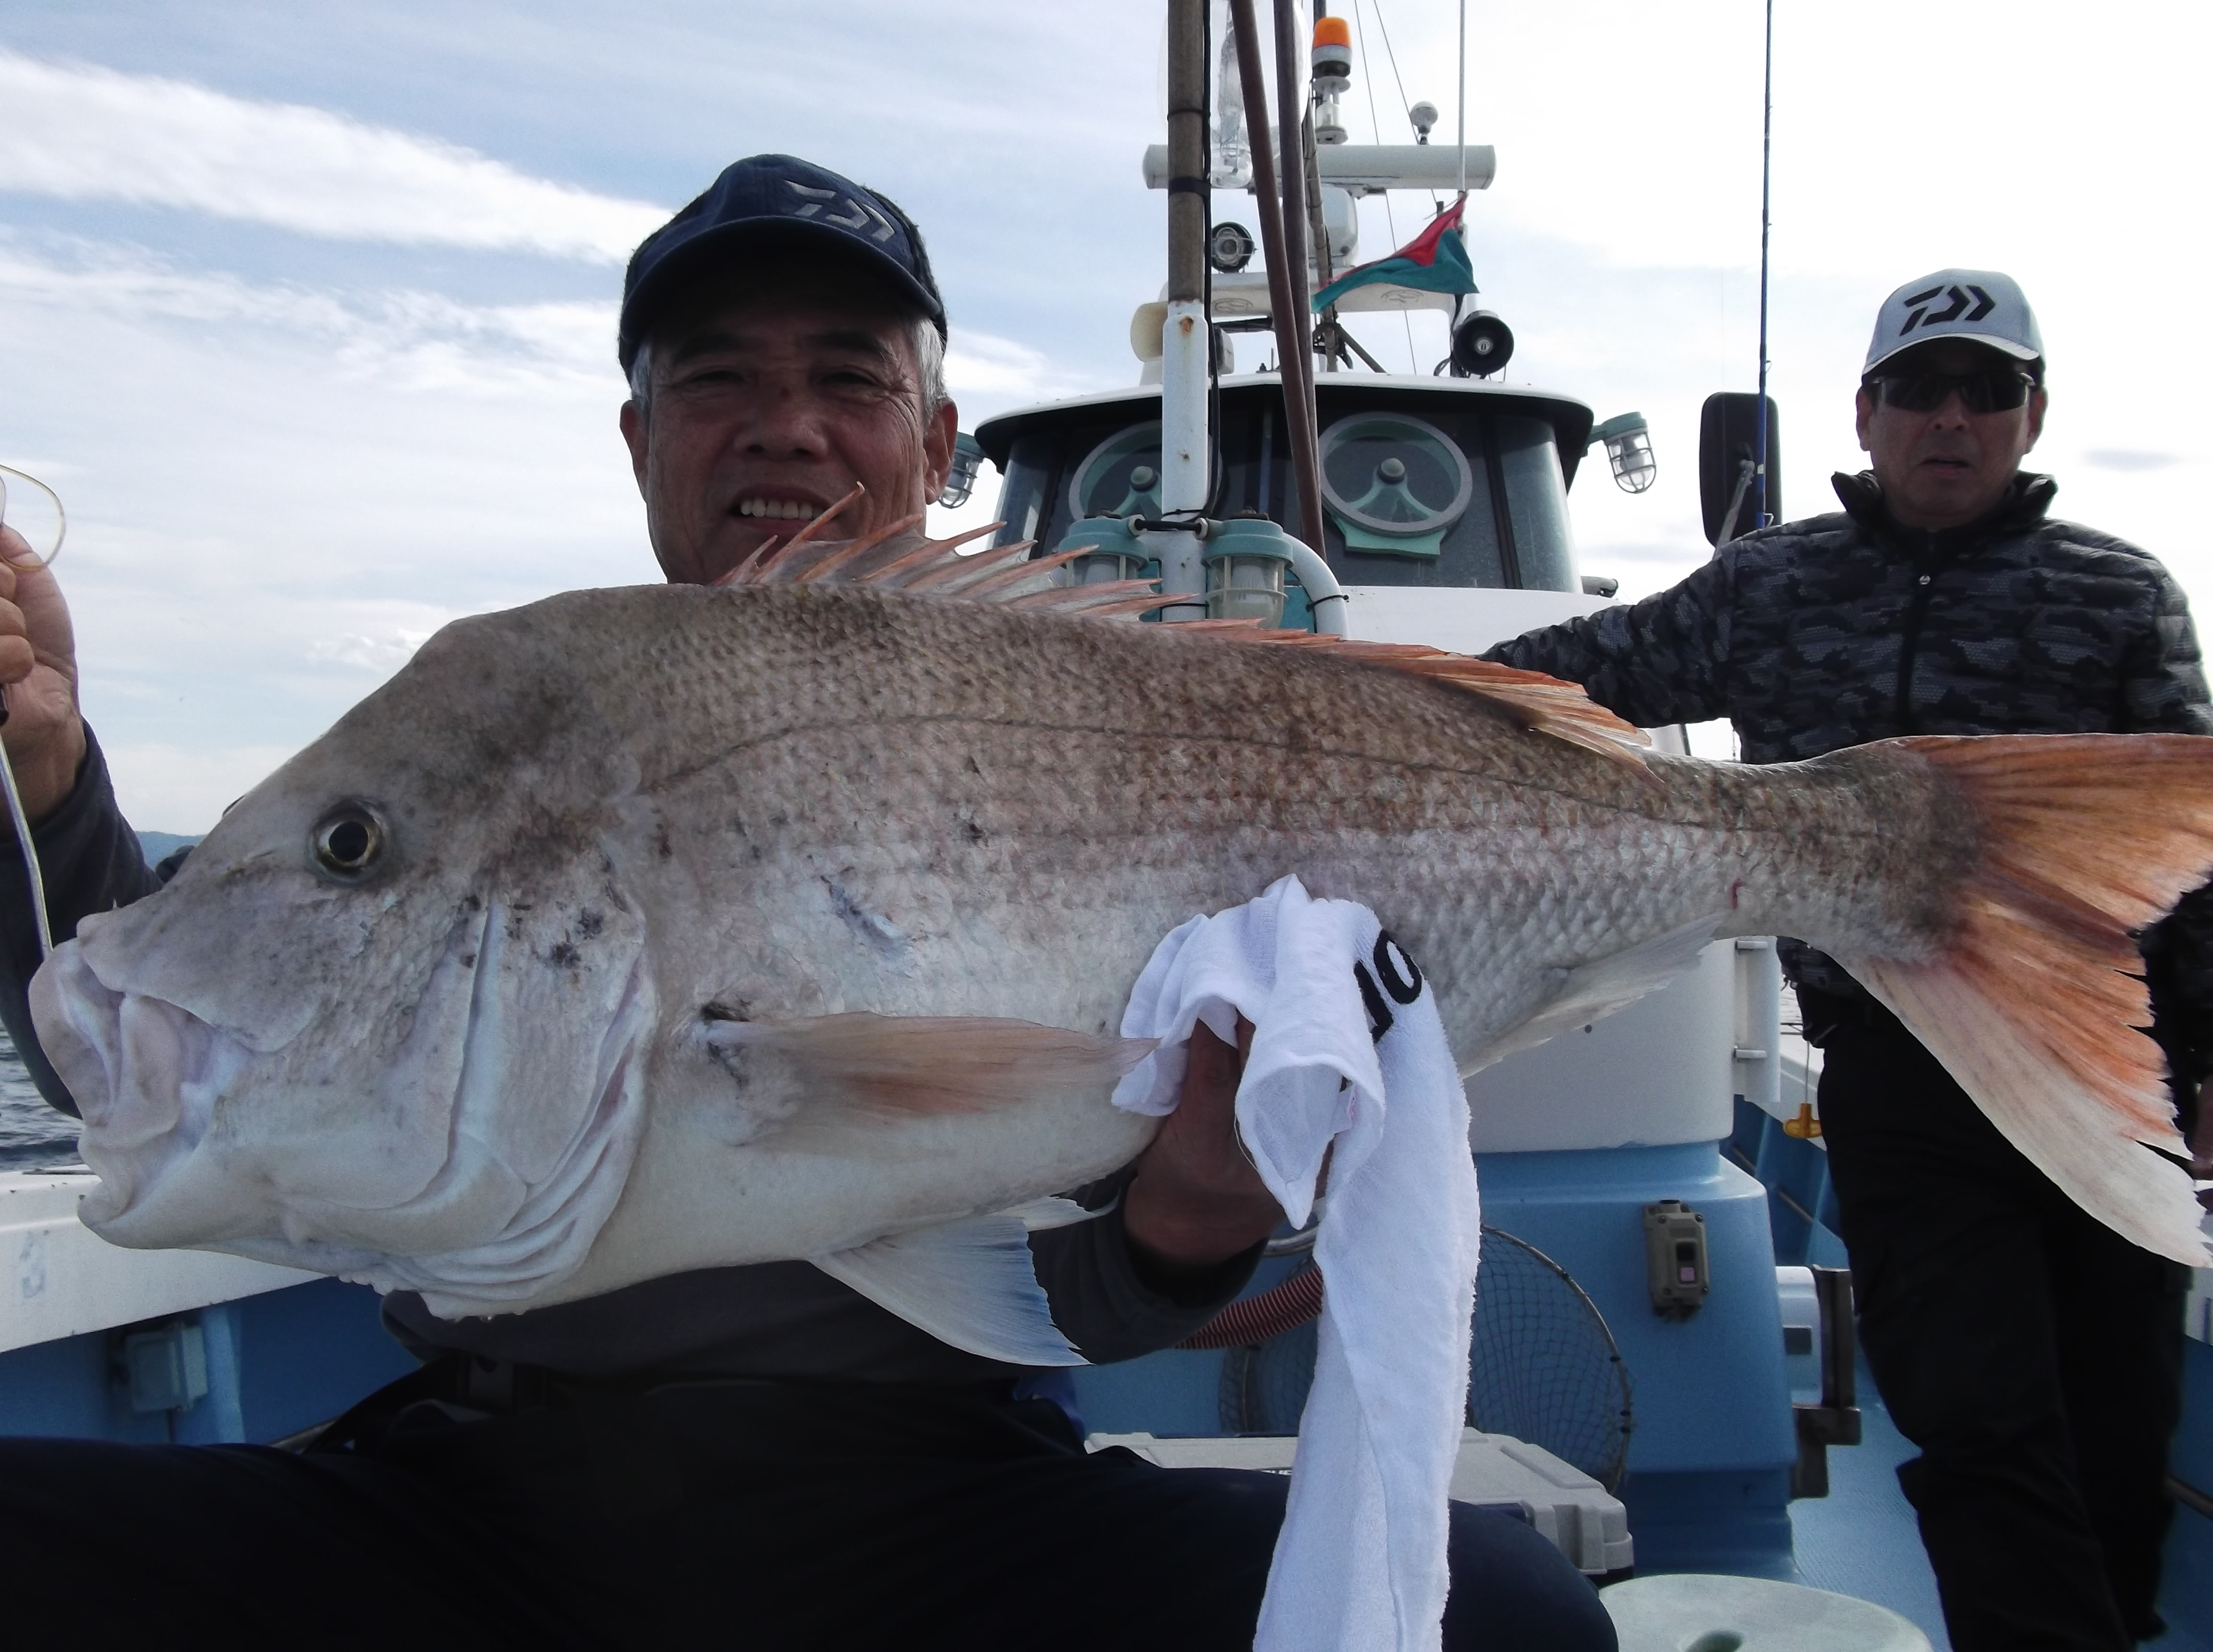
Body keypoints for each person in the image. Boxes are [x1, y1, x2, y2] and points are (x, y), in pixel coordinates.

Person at [0, 155, 1615, 1651]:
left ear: (936, 438)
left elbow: (1079, 1297)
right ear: (638, 438)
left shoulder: (1087, 699)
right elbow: (180, 1035)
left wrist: (1194, 1225)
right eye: (718, 376)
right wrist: (56, 785)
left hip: (954, 1499)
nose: (785, 425)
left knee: (1517, 1624)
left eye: (848, 376)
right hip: (485, 1499)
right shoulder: (507, 724)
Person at [1487, 268, 2208, 1651]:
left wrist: (2209, 1055)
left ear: (2032, 415)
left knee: (2121, 1413)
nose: (1953, 417)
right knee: (1972, 1409)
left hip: (2110, 1064)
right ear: (1867, 414)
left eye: (1985, 391)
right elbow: (1583, 669)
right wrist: (1381, 698)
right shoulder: (1774, 586)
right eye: (1921, 391)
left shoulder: (2119, 597)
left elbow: (2196, 848)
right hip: (1902, 1063)